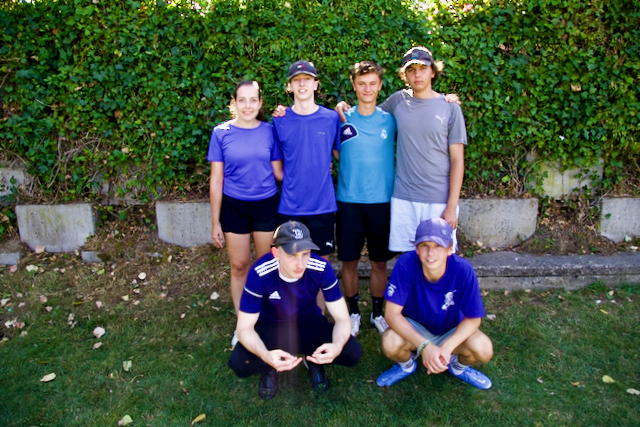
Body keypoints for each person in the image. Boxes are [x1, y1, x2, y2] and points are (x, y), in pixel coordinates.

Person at [336, 46, 466, 253]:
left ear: (433, 72)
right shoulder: (398, 101)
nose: (417, 75)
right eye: (411, 70)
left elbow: (458, 160)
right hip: (404, 198)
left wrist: (452, 206)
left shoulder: (450, 108)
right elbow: (367, 113)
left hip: (438, 200)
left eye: (423, 69)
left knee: (440, 258)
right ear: (405, 75)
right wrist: (342, 106)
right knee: (407, 258)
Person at [227, 221, 362, 400]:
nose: (300, 264)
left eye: (305, 254)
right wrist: (265, 355)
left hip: (308, 323)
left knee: (352, 352)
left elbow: (343, 319)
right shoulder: (260, 272)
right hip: (271, 327)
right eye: (292, 255)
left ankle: (313, 359)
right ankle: (269, 365)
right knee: (240, 364)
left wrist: (337, 346)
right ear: (276, 253)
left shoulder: (320, 268)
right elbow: (244, 328)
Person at [376, 218, 493, 390]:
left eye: (438, 246)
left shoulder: (463, 270)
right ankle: (406, 366)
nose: (430, 253)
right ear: (416, 249)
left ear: (450, 249)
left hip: (451, 328)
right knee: (389, 342)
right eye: (424, 245)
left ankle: (457, 367)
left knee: (484, 349)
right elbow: (391, 314)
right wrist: (425, 346)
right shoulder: (405, 264)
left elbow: (474, 318)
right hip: (417, 326)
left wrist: (447, 347)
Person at [208, 80, 283, 346]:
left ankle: (265, 319)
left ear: (260, 103)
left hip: (265, 205)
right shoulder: (221, 133)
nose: (248, 105)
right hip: (234, 207)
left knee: (265, 266)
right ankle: (243, 326)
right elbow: (216, 180)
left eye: (253, 100)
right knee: (239, 266)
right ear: (234, 103)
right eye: (242, 100)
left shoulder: (270, 131)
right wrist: (215, 222)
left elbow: (279, 173)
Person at [334, 61, 396, 337]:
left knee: (379, 262)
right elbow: (336, 151)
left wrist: (447, 100)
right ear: (354, 85)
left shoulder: (390, 119)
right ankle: (353, 313)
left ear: (380, 85)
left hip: (382, 201)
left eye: (372, 83)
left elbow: (420, 105)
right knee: (349, 261)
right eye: (361, 84)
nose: (367, 89)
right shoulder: (341, 118)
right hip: (348, 201)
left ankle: (377, 314)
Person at [272, 60, 341, 260]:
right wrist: (296, 176)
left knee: (320, 266)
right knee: (290, 264)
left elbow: (339, 154)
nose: (302, 84)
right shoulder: (279, 120)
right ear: (289, 86)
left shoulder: (331, 118)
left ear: (316, 84)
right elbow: (277, 166)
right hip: (290, 207)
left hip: (323, 205)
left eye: (307, 79)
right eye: (297, 80)